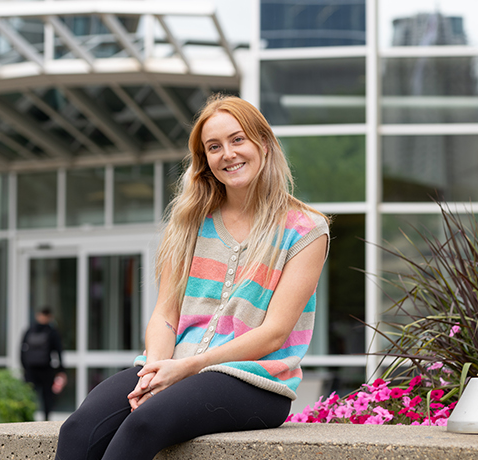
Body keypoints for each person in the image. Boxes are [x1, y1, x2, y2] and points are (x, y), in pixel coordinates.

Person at [55, 95, 330, 460]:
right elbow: (165, 315)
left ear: (263, 144)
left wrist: (185, 368)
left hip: (255, 381)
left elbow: (275, 332)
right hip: (175, 366)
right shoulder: (189, 224)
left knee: (144, 424)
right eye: (214, 147)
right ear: (205, 161)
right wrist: (155, 372)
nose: (227, 154)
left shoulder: (306, 229)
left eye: (237, 139)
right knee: (78, 429)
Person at [20, 308, 67, 421]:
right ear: (50, 317)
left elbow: (21, 350)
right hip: (46, 369)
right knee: (47, 397)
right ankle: (46, 419)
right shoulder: (52, 331)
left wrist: (24, 367)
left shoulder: (29, 330)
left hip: (31, 370)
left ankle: (28, 419)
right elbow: (58, 351)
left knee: (30, 396)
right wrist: (61, 370)